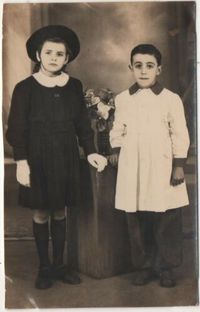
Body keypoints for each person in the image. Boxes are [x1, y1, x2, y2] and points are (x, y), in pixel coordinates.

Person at [6, 25, 107, 290]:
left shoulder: (73, 86)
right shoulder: (25, 88)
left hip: (65, 155)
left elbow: (82, 124)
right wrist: (22, 162)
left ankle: (60, 265)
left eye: (60, 54)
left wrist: (92, 150)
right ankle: (44, 267)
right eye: (48, 52)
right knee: (41, 211)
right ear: (38, 55)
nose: (53, 58)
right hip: (37, 157)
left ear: (67, 57)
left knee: (61, 211)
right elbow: (16, 129)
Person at [110, 44, 190, 287]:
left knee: (165, 217)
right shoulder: (123, 99)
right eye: (138, 66)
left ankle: (165, 267)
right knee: (137, 218)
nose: (143, 71)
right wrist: (115, 149)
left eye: (149, 66)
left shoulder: (170, 99)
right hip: (132, 166)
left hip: (162, 166)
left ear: (159, 69)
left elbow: (180, 133)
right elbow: (118, 127)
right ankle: (144, 266)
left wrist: (178, 165)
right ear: (130, 68)